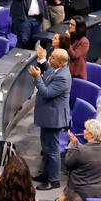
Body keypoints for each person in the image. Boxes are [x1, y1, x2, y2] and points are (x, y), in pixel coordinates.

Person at [30, 46, 71, 190]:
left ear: (60, 63)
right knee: (46, 148)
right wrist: (41, 60)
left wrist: (36, 78)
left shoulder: (63, 77)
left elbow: (46, 92)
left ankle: (54, 181)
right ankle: (46, 174)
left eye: (52, 58)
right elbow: (47, 73)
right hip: (48, 116)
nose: (50, 59)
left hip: (54, 119)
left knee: (53, 151)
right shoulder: (57, 70)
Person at [62, 118, 101, 201]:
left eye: (86, 129)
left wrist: (72, 144)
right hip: (99, 193)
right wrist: (77, 144)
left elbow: (68, 162)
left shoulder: (81, 150)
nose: (83, 131)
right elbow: (86, 153)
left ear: (91, 134)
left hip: (79, 195)